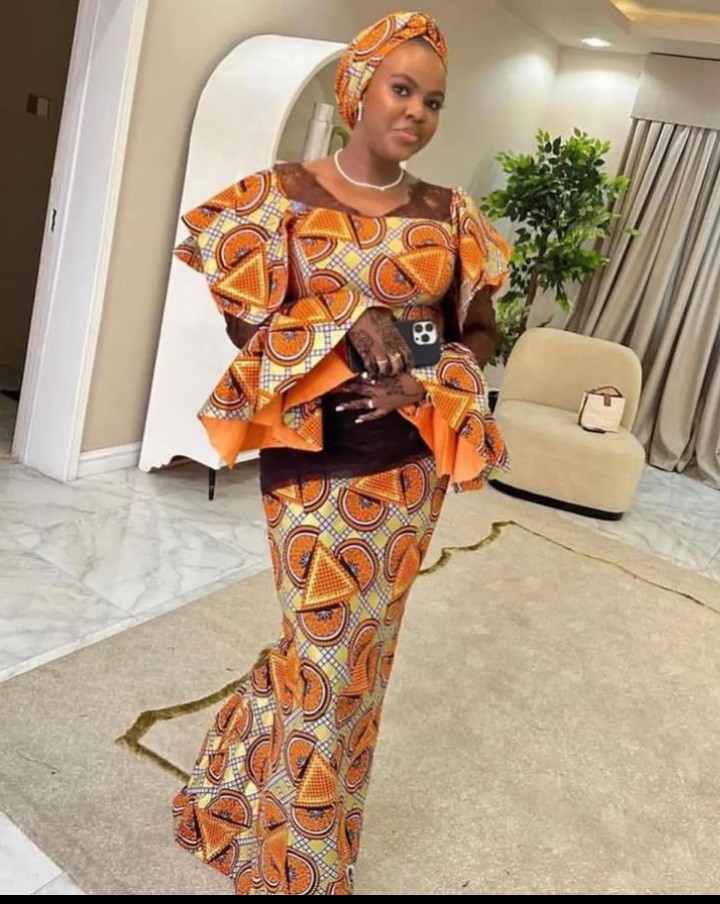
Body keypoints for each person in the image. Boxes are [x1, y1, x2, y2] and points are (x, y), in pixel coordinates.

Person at [171, 11, 510, 896]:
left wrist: (418, 373)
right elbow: (249, 327)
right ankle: (300, 872)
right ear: (357, 89)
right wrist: (345, 315)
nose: (417, 112)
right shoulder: (278, 197)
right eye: (402, 90)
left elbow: (474, 329)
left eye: (433, 100)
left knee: (359, 660)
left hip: (410, 466)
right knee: (324, 656)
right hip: (313, 460)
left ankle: (227, 796)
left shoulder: (449, 213)